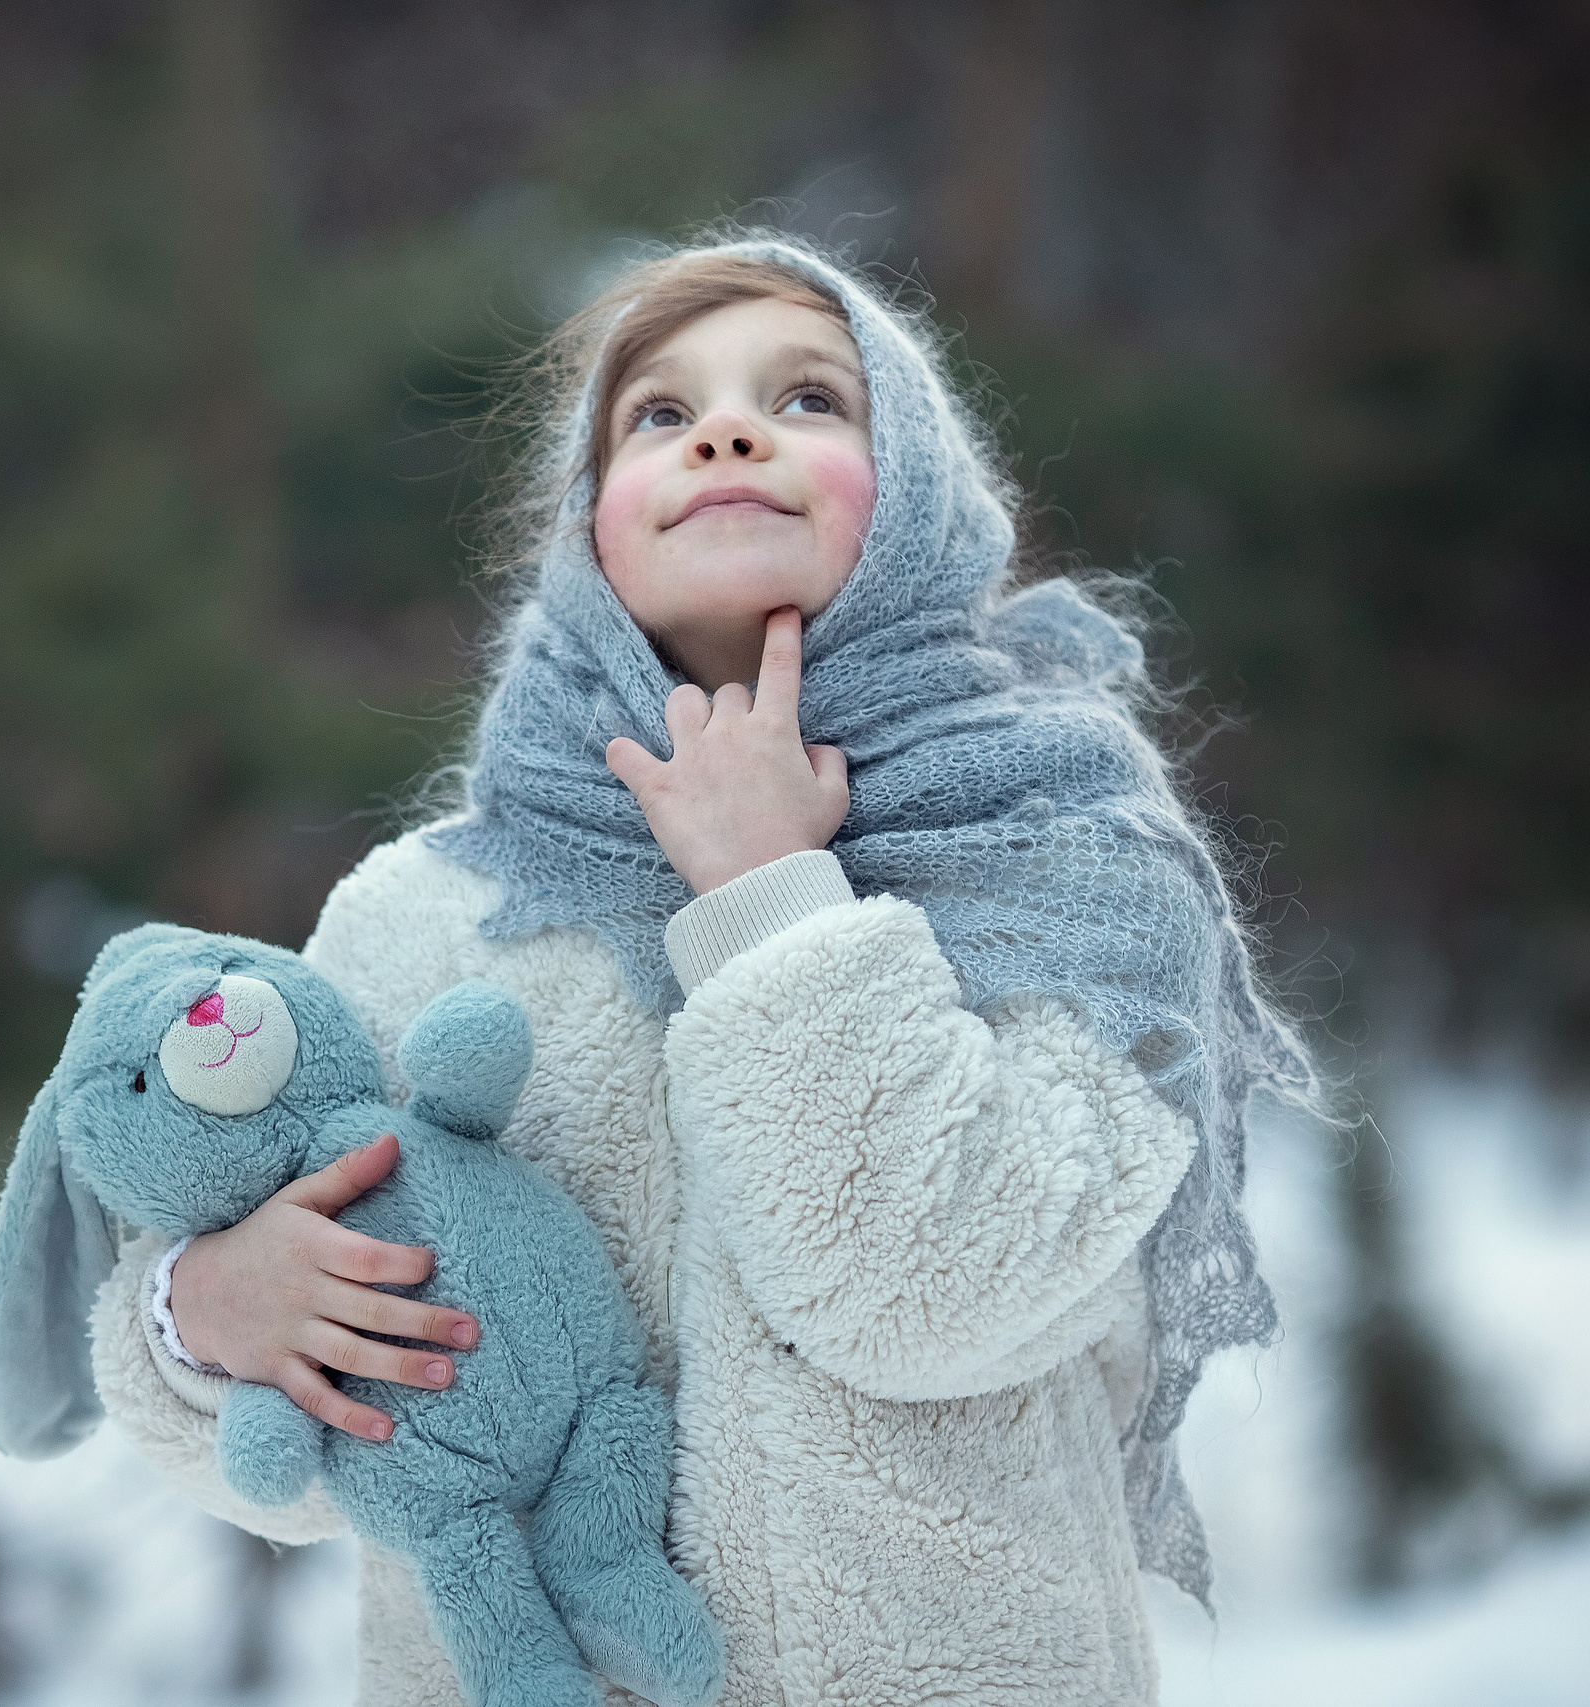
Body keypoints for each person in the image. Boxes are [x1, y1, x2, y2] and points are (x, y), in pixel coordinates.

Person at [72, 229, 1320, 1706]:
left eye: (809, 399)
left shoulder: (1075, 880)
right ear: (587, 519)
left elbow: (924, 1298)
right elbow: (320, 1465)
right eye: (660, 414)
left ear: (918, 488)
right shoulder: (423, 917)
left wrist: (776, 898)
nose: (729, 429)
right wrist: (200, 1320)